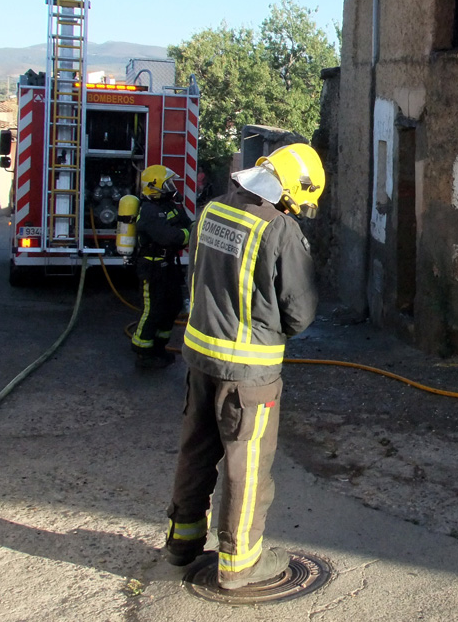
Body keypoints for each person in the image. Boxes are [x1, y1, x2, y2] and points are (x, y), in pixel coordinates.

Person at [163, 143, 323, 591]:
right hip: (248, 374)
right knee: (247, 465)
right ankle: (239, 565)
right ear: (289, 190)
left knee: (196, 450)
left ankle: (182, 541)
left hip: (199, 359)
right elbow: (301, 312)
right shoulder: (279, 230)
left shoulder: (211, 211)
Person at [130, 165, 191, 369]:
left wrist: (183, 234)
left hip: (169, 267)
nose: (171, 187)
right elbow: (169, 237)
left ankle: (158, 347)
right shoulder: (149, 211)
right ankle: (142, 351)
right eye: (168, 183)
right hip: (152, 268)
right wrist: (184, 235)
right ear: (154, 187)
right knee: (152, 310)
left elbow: (188, 225)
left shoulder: (170, 206)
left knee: (172, 306)